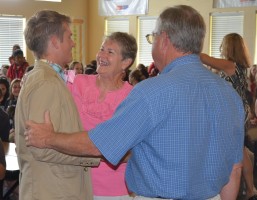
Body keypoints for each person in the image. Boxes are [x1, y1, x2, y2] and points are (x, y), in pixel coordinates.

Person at [25, 5, 245, 199]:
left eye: (153, 37)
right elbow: (235, 169)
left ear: (165, 40)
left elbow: (100, 144)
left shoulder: (151, 92)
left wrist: (49, 138)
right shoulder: (229, 94)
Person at [15, 10, 99, 200]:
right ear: (54, 41)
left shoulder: (48, 78)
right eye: (69, 37)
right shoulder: (46, 82)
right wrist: (92, 153)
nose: (73, 42)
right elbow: (40, 147)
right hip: (52, 191)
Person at [67, 32, 136, 200]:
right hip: (75, 184)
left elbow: (132, 150)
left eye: (110, 52)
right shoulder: (78, 83)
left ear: (125, 63)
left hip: (115, 190)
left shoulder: (133, 97)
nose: (101, 55)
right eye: (101, 49)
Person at [200, 33, 256, 200]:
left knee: (238, 152)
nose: (221, 48)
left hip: (234, 111)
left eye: (223, 45)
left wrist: (189, 47)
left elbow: (204, 57)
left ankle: (248, 189)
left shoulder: (230, 65)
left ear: (229, 47)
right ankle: (251, 189)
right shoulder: (237, 66)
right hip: (238, 109)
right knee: (241, 151)